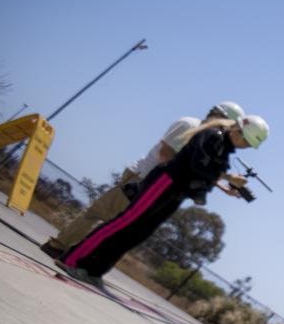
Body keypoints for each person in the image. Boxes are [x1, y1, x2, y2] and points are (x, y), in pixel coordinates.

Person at [56, 115, 269, 284]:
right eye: (246, 141)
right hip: (165, 182)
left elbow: (209, 173)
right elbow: (199, 165)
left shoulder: (224, 150)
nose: (245, 146)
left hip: (177, 193)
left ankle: (94, 270)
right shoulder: (212, 135)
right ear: (239, 130)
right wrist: (227, 177)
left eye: (249, 145)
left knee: (137, 233)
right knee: (125, 222)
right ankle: (74, 260)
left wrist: (222, 183)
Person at [42, 101, 253, 259]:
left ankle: (76, 254)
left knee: (114, 226)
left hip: (153, 188)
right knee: (98, 214)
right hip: (141, 179)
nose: (229, 130)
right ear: (220, 116)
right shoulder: (189, 125)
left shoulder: (206, 139)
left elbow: (194, 166)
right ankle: (57, 246)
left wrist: (224, 187)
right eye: (230, 125)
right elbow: (166, 154)